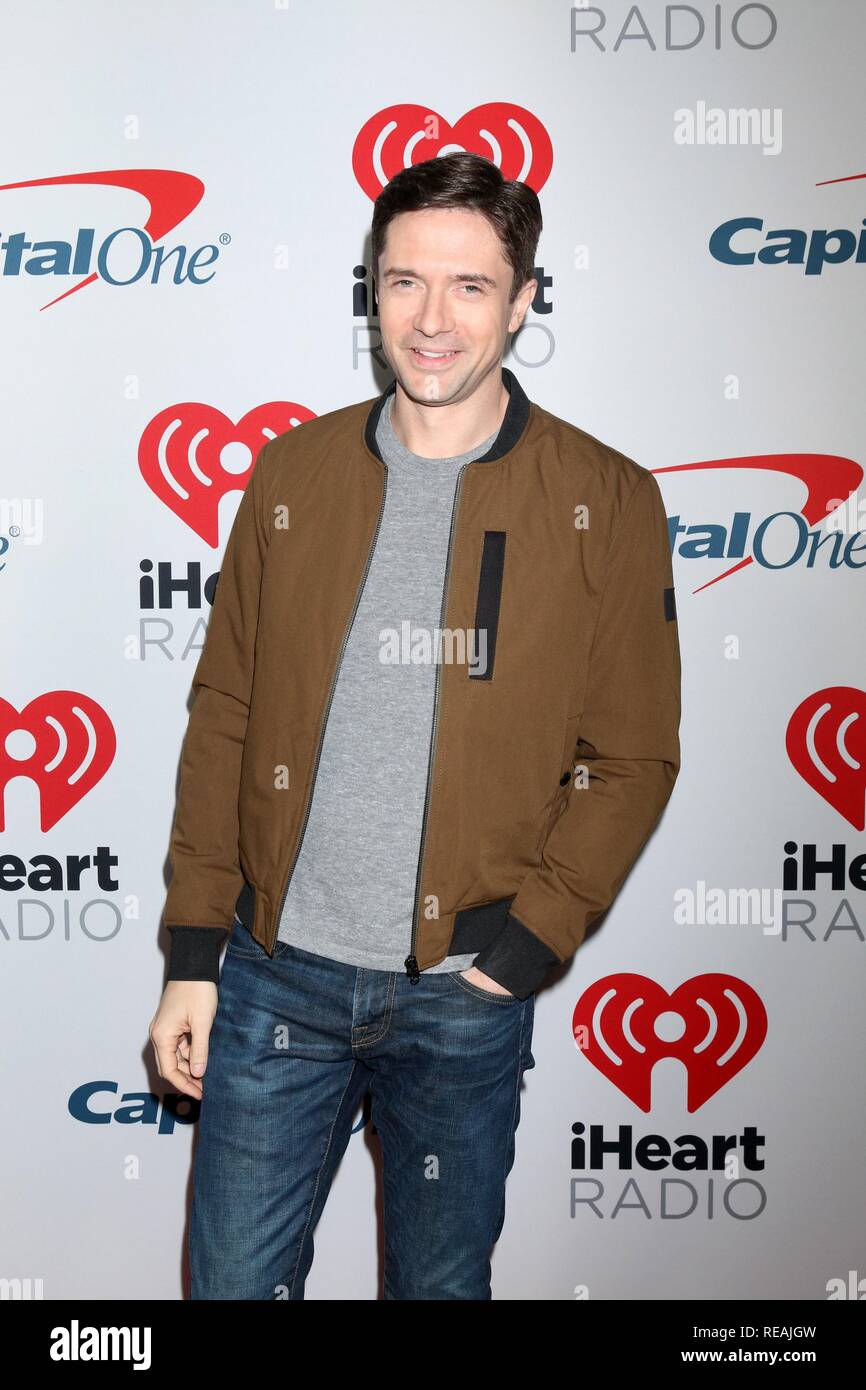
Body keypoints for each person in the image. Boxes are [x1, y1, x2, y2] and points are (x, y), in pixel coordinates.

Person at [149, 150, 682, 1300]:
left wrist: (526, 943)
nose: (430, 321)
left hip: (459, 992)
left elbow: (630, 753)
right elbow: (227, 713)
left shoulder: (608, 498)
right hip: (273, 972)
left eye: (470, 287)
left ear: (524, 299)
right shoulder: (293, 472)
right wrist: (196, 954)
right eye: (403, 283)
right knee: (231, 1286)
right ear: (370, 289)